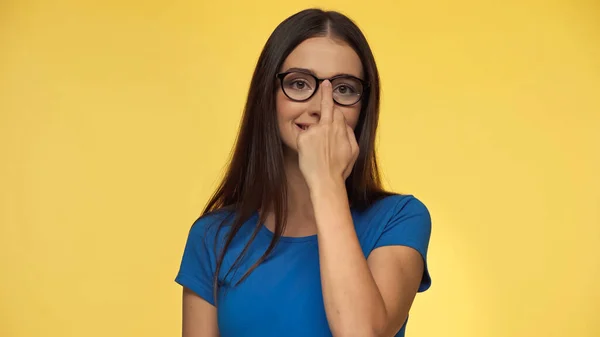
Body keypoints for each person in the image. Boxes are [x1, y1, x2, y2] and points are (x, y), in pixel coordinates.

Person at [175, 8, 432, 337]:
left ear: (363, 108)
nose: (321, 106)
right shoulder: (213, 238)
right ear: (268, 97)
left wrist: (326, 182)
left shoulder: (399, 220)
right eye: (299, 83)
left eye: (344, 89)